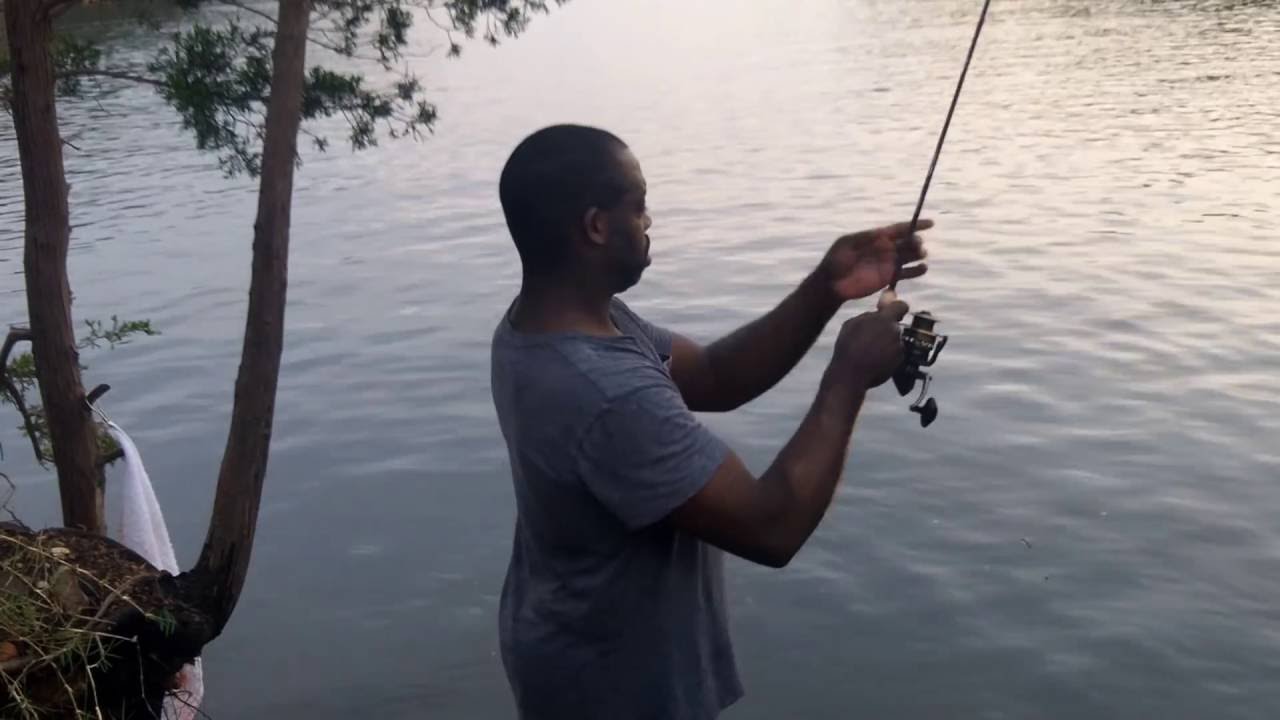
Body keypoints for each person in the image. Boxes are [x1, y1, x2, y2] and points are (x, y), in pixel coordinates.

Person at [489, 124, 931, 720]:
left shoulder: (549, 325)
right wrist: (849, 374)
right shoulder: (605, 393)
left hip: (572, 652)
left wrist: (827, 289)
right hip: (614, 692)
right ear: (596, 226)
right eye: (639, 206)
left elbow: (717, 376)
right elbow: (772, 527)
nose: (650, 221)